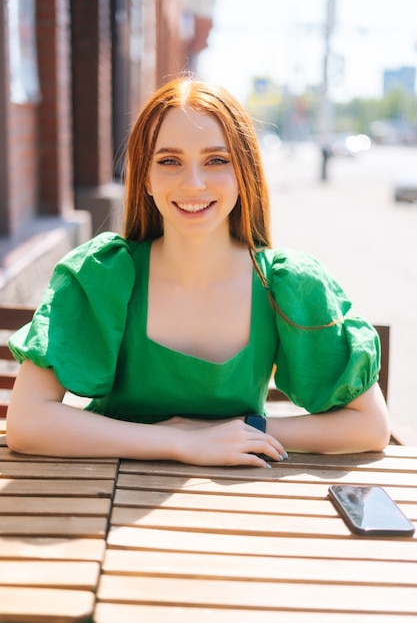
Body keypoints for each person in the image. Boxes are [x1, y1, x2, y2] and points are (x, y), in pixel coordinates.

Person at [6, 78, 390, 467]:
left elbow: (369, 427)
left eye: (216, 160)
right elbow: (27, 422)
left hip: (233, 501)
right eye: (169, 161)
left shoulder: (288, 284)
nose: (193, 183)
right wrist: (180, 442)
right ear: (144, 177)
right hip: (105, 496)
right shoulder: (103, 275)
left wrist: (241, 431)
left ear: (245, 174)